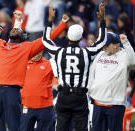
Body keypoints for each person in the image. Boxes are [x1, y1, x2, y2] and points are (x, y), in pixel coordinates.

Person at [0, 5, 68, 131]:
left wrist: (62, 25)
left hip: (12, 91)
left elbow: (46, 39)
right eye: (14, 29)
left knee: (14, 126)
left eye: (18, 30)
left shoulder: (26, 48)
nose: (15, 30)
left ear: (22, 37)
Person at [42, 3, 107, 131]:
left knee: (61, 128)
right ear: (81, 38)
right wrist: (102, 21)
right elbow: (102, 41)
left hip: (63, 96)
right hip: (80, 96)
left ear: (67, 37)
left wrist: (50, 21)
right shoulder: (87, 53)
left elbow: (45, 40)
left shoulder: (59, 52)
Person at [87, 33, 135, 131]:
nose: (104, 46)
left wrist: (126, 43)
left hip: (115, 105)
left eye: (107, 44)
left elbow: (133, 62)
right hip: (98, 103)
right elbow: (92, 73)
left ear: (116, 44)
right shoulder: (100, 54)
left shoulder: (124, 56)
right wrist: (91, 91)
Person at [21, 52, 56, 131]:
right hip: (27, 105)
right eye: (34, 52)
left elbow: (56, 82)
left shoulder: (49, 64)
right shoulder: (22, 64)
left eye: (38, 52)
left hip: (45, 107)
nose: (36, 54)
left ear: (42, 51)